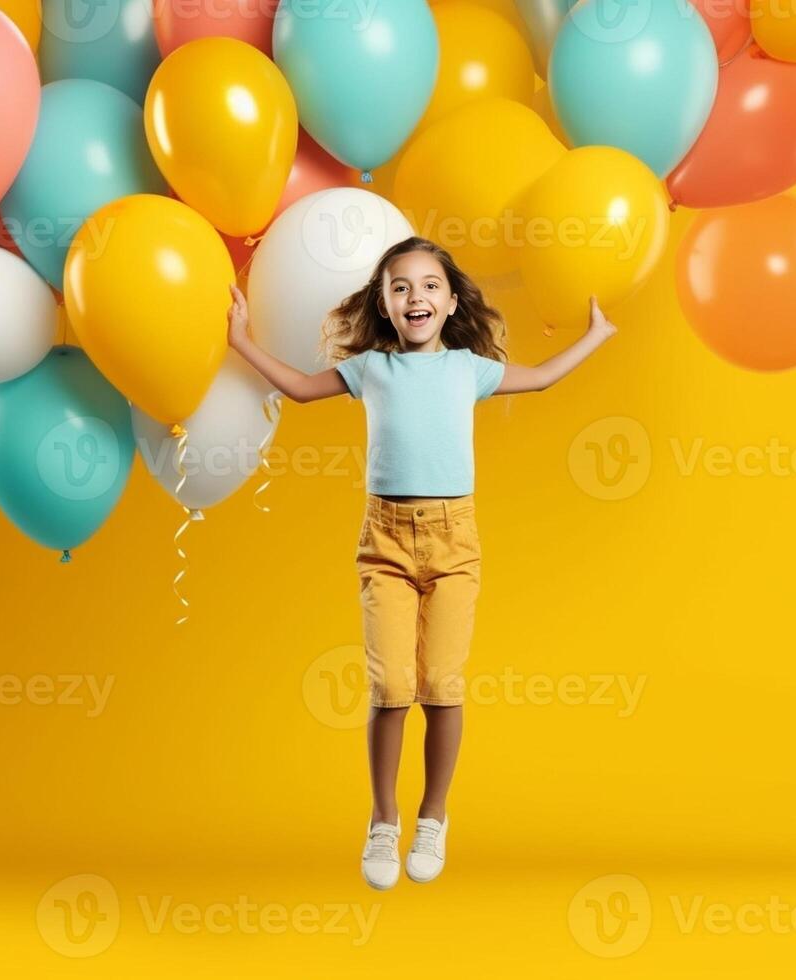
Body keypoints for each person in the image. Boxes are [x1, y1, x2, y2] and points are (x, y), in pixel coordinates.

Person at [227, 235, 616, 889]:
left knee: (442, 685)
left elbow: (544, 377)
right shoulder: (371, 368)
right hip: (385, 542)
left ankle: (433, 816)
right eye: (401, 286)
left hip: (454, 541)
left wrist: (597, 334)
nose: (417, 296)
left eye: (430, 285)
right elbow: (296, 388)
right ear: (382, 304)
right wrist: (239, 338)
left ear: (451, 299)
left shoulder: (468, 368)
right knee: (390, 690)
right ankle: (384, 820)